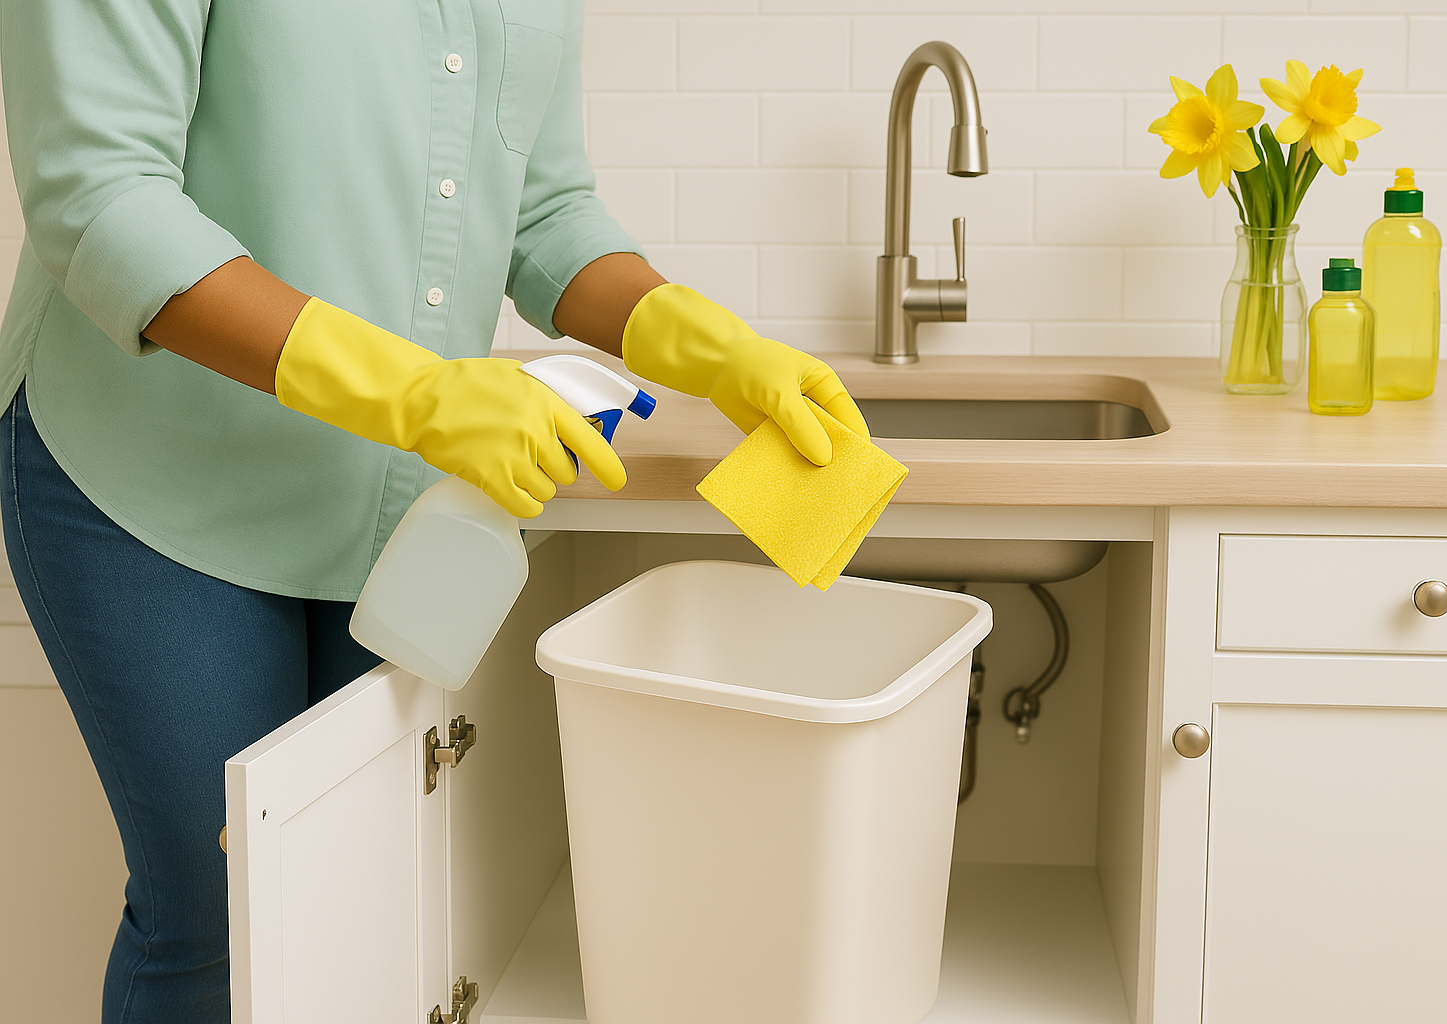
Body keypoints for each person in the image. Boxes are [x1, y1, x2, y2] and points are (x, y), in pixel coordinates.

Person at [0, 2, 868, 1021]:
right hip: (157, 485)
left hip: (383, 504)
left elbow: (543, 212)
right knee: (219, 920)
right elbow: (99, 197)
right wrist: (418, 394)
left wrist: (699, 342)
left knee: (361, 914)